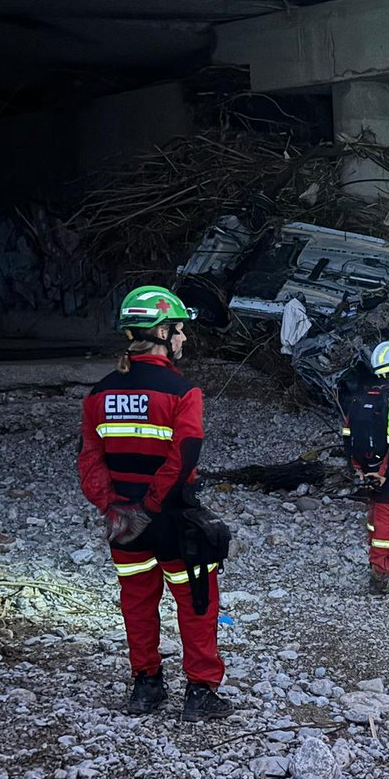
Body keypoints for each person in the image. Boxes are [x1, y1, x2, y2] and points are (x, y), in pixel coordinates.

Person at [78, 285, 232, 722]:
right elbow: (184, 457)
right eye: (179, 331)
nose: (183, 339)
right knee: (197, 602)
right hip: (171, 520)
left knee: (137, 600)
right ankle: (200, 692)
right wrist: (151, 505)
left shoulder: (99, 394)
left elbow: (89, 460)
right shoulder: (182, 392)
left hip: (123, 523)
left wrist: (114, 506)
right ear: (162, 332)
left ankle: (146, 686)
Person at [341, 340, 389, 595]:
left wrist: (358, 468)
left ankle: (375, 563)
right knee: (387, 522)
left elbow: (347, 434)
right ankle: (380, 576)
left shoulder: (360, 398)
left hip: (364, 467)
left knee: (374, 520)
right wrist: (383, 473)